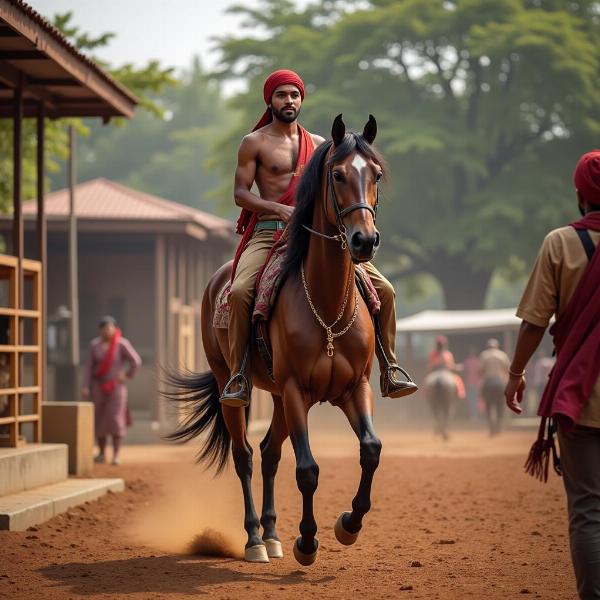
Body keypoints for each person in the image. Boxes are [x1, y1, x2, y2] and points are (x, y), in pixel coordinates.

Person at [222, 68, 417, 406]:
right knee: (239, 292)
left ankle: (390, 367)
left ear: (301, 100)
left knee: (385, 289)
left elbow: (334, 190)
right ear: (270, 99)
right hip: (269, 232)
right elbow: (240, 193)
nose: (289, 101)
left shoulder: (319, 145)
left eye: (295, 95)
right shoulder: (254, 142)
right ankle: (239, 375)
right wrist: (277, 209)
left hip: (314, 237)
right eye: (282, 94)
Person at [505, 150, 600, 599]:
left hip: (581, 395)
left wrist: (516, 373)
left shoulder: (560, 243)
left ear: (579, 194)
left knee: (587, 510)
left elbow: (535, 322)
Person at [82, 316, 141, 465]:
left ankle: (116, 455)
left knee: (115, 419)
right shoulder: (94, 345)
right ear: (100, 331)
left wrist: (127, 375)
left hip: (116, 388)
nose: (107, 331)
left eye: (109, 328)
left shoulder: (121, 344)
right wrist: (86, 386)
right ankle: (101, 453)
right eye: (104, 328)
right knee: (100, 419)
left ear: (114, 329)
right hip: (98, 387)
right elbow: (89, 367)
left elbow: (136, 361)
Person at [479, 338, 510, 436]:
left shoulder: (484, 355)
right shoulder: (502, 355)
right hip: (500, 382)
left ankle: (491, 428)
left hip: (488, 382)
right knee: (500, 406)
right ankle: (498, 427)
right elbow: (508, 368)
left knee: (488, 406)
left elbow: (481, 370)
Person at [427, 335, 466, 400]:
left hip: (434, 372)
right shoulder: (447, 354)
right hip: (446, 372)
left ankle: (426, 394)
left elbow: (429, 366)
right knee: (457, 379)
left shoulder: (433, 354)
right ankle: (460, 393)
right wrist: (457, 367)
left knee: (427, 381)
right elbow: (451, 366)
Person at [463, 346, 481, 420]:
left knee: (471, 400)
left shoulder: (467, 361)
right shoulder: (478, 361)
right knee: (477, 400)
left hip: (470, 383)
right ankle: (476, 416)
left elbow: (464, 372)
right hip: (477, 384)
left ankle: (473, 416)